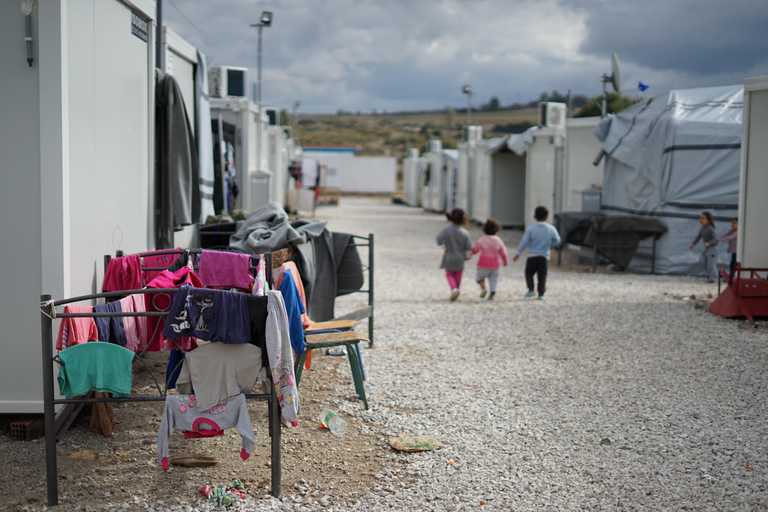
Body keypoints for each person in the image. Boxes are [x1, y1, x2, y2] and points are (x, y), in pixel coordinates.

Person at [512, 206, 561, 300]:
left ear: (535, 216)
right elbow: (557, 240)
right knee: (542, 276)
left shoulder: (531, 228)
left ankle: (531, 290)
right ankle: (541, 295)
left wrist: (518, 253)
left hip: (532, 256)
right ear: (547, 216)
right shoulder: (551, 228)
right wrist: (551, 245)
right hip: (544, 257)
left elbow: (524, 242)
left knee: (529, 273)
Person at [437, 208, 472, 301]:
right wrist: (468, 255)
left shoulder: (446, 230)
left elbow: (438, 240)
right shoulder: (465, 232)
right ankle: (457, 289)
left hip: (449, 256)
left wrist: (444, 244)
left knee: (449, 274)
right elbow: (469, 247)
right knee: (458, 274)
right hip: (460, 258)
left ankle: (454, 289)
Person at [471, 218, 509, 300]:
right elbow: (503, 252)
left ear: (484, 229)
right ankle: (492, 291)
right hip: (495, 264)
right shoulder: (498, 240)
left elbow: (475, 249)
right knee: (493, 279)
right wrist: (505, 261)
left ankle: (484, 289)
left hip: (483, 264)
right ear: (497, 230)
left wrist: (472, 252)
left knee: (479, 278)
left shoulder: (481, 239)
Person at [689, 211, 718, 283]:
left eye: (703, 218)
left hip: (712, 249)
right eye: (700, 218)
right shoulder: (702, 228)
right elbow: (698, 237)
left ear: (708, 220)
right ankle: (711, 276)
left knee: (710, 265)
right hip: (706, 249)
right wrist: (693, 244)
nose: (701, 219)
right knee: (703, 262)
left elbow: (716, 240)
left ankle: (712, 278)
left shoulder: (710, 228)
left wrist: (709, 243)